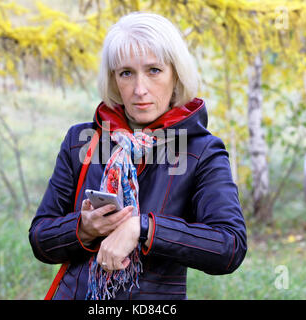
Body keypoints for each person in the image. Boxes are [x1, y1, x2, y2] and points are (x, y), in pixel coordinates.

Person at [29, 12, 247, 300]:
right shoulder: (81, 141)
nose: (139, 89)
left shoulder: (202, 150)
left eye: (154, 70)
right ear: (114, 80)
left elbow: (228, 247)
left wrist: (142, 228)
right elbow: (40, 239)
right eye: (126, 73)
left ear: (176, 74)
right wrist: (83, 228)